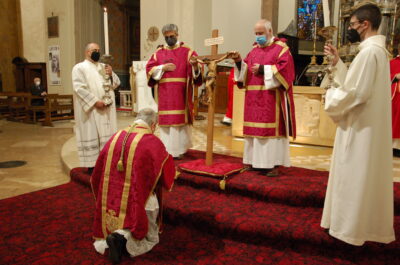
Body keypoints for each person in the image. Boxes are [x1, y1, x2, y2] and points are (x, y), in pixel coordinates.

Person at [321, 3, 395, 246]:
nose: (350, 29)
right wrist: (338, 63)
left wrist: (331, 97)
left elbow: (356, 93)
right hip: (366, 123)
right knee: (361, 174)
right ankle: (358, 224)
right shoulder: (377, 52)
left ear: (365, 24)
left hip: (359, 126)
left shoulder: (369, 53)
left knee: (354, 173)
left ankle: (349, 229)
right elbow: (357, 84)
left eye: (352, 25)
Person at [90, 108, 176, 264]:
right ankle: (122, 238)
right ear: (154, 124)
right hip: (137, 197)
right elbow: (165, 172)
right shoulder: (152, 141)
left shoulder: (116, 136)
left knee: (123, 209)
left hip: (110, 196)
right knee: (148, 228)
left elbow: (97, 172)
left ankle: (113, 233)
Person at [229, 19, 296, 177]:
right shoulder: (254, 50)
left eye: (261, 33)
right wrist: (239, 61)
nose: (258, 36)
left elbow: (286, 71)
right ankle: (255, 162)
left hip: (271, 99)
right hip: (253, 99)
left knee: (269, 133)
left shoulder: (281, 49)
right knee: (254, 132)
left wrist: (263, 69)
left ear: (270, 32)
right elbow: (244, 72)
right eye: (256, 33)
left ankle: (272, 164)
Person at [146, 23, 203, 159]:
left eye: (171, 36)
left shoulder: (187, 51)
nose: (169, 39)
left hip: (181, 94)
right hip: (165, 94)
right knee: (167, 123)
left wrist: (195, 66)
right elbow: (149, 69)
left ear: (177, 35)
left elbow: (197, 69)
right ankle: (167, 149)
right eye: (166, 37)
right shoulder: (158, 53)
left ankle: (180, 149)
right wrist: (162, 68)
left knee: (179, 122)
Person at [72, 43, 120, 174]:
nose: (97, 52)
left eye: (99, 50)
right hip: (92, 110)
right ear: (87, 52)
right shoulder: (79, 68)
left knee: (107, 136)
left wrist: (111, 74)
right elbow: (79, 88)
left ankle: (107, 162)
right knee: (92, 133)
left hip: (106, 110)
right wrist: (94, 102)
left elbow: (116, 84)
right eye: (94, 50)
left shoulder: (104, 67)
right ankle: (92, 166)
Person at [390, 45, 400, 156]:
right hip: (395, 96)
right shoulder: (392, 63)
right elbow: (383, 77)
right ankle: (394, 147)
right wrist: (395, 76)